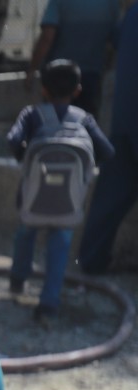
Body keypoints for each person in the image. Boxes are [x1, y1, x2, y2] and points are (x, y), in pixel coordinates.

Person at [7, 60, 114, 323]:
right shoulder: (84, 119)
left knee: (25, 234)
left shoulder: (32, 114)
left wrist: (26, 159)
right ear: (78, 90)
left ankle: (18, 281)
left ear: (43, 89)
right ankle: (48, 306)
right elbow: (107, 152)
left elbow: (12, 140)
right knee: (60, 245)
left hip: (32, 199)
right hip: (68, 202)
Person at [77, 2, 138, 275]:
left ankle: (91, 259)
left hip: (125, 120)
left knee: (111, 194)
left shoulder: (133, 12)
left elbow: (114, 39)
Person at [26, 0, 123, 116]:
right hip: (92, 76)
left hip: (58, 76)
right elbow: (116, 40)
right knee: (85, 122)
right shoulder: (111, 3)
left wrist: (32, 68)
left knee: (54, 122)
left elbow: (47, 37)